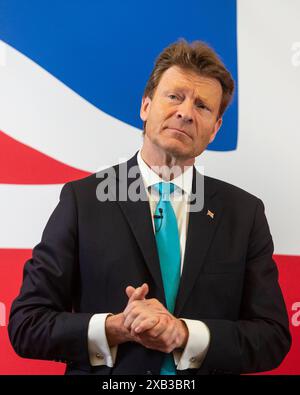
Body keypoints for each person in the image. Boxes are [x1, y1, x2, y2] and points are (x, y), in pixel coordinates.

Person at [8, 40, 291, 375]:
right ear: (145, 106)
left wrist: (186, 334)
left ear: (214, 129)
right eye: (174, 96)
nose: (185, 113)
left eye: (202, 106)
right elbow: (27, 324)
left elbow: (272, 337)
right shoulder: (83, 200)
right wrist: (114, 328)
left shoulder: (245, 214)